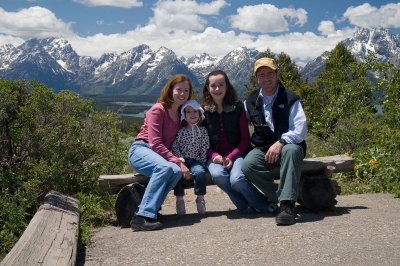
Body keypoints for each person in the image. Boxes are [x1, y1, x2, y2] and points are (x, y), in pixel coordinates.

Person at [242, 57, 307, 225]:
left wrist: (281, 142)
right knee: (248, 164)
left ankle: (286, 207)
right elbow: (238, 121)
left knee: (291, 150)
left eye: (270, 73)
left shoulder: (290, 98)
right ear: (257, 79)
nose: (266, 78)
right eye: (261, 75)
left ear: (276, 75)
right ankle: (284, 196)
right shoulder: (251, 100)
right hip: (263, 147)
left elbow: (300, 130)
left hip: (290, 146)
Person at [201, 70, 278, 215]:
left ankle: (260, 205)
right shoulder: (203, 112)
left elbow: (245, 140)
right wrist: (214, 156)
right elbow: (203, 143)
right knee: (218, 176)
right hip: (214, 157)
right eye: (213, 86)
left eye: (221, 85)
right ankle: (247, 205)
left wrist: (231, 156)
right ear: (208, 88)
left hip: (238, 154)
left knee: (237, 179)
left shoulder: (237, 108)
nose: (217, 89)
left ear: (227, 87)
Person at [128, 74, 193, 231]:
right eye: (179, 89)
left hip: (159, 155)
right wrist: (178, 161)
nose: (183, 94)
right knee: (166, 168)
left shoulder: (180, 114)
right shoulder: (158, 109)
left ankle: (152, 210)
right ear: (170, 90)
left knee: (176, 172)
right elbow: (154, 143)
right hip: (141, 150)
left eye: (186, 90)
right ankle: (141, 216)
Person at [171, 99, 210, 215]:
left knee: (200, 172)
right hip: (182, 160)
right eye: (189, 112)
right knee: (177, 174)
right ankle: (179, 199)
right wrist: (179, 159)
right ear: (184, 115)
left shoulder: (202, 131)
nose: (192, 114)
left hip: (195, 160)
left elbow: (205, 147)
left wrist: (202, 161)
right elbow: (175, 146)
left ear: (199, 114)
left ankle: (200, 198)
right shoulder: (181, 131)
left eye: (195, 112)